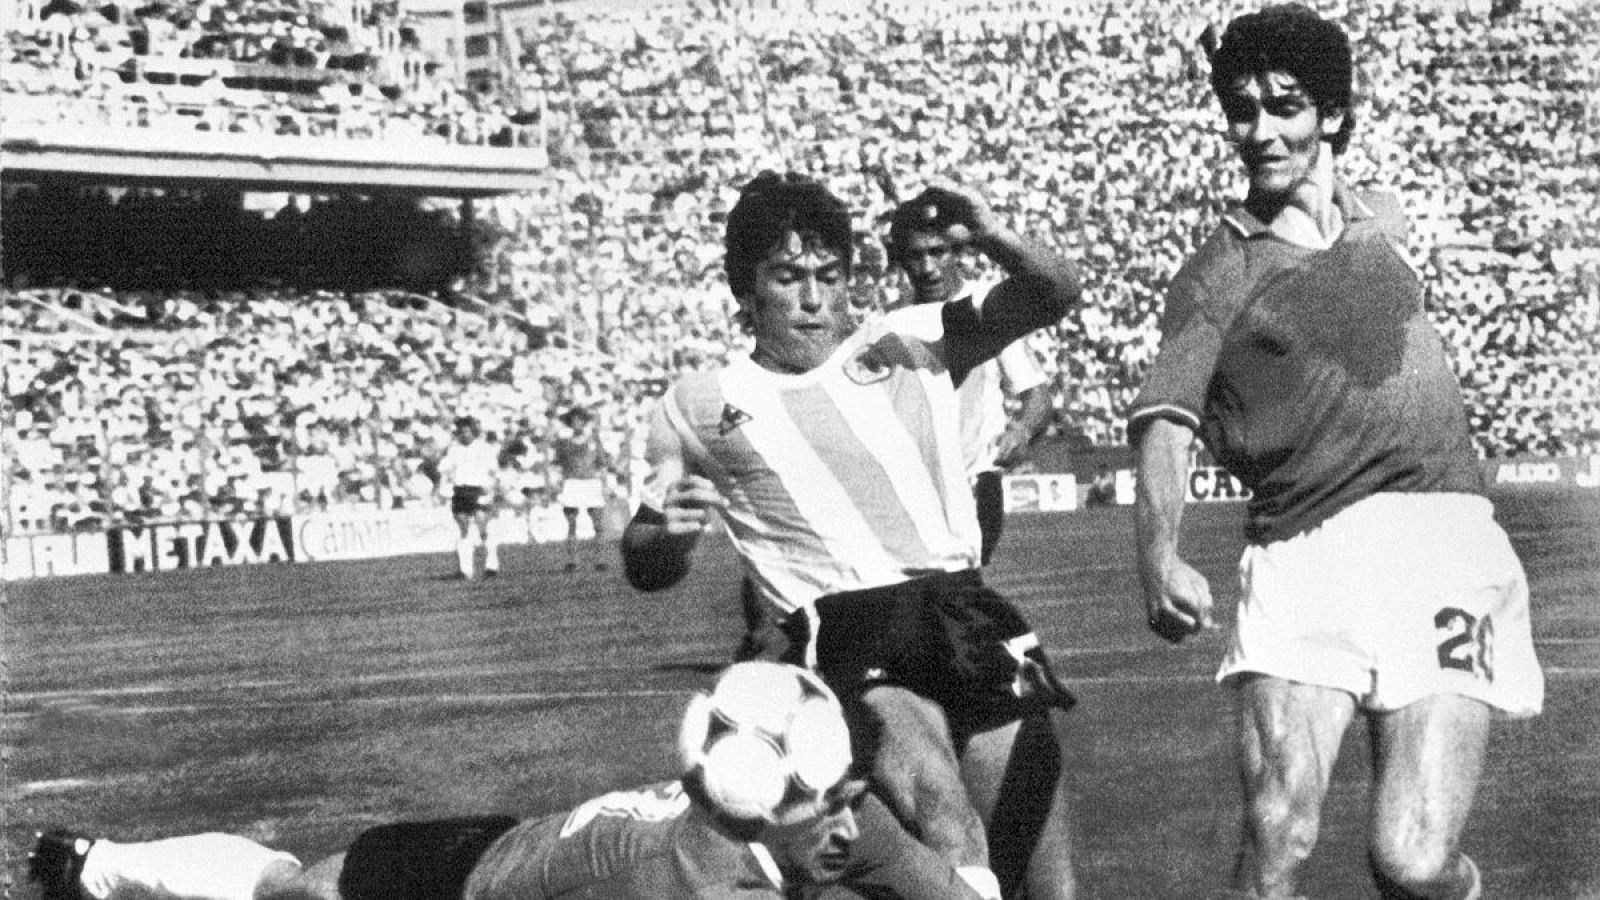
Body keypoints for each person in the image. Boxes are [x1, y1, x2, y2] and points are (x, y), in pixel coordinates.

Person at [1126, 7, 1544, 898]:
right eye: (1241, 110)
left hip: (1444, 546)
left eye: (1285, 106)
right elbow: (1166, 420)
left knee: (1411, 861)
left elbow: (1337, 185)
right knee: (1278, 833)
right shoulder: (1216, 275)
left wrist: (1269, 57)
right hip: (1303, 553)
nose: (1260, 130)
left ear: (1335, 116)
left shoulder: (1381, 221)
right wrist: (1157, 551)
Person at [621, 171, 1081, 900]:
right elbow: (643, 558)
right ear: (745, 290)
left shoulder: (912, 336)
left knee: (1043, 866)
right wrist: (666, 539)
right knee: (948, 821)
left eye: (829, 276)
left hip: (964, 606)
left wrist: (995, 236)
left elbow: (1052, 294)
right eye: (788, 277)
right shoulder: (698, 406)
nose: (813, 299)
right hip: (849, 629)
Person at [26, 663, 984, 900]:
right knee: (297, 888)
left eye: (849, 801)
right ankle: (97, 867)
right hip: (473, 875)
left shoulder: (835, 813)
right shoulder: (681, 880)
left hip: (536, 848)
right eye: (822, 811)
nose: (848, 832)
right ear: (749, 807)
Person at [888, 188, 1055, 564]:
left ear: (958, 253)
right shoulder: (892, 323)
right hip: (917, 489)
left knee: (958, 585)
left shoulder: (986, 310)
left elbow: (1037, 395)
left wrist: (1022, 431)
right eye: (916, 256)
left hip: (977, 482)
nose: (928, 267)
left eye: (937, 252)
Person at [436, 416, 502, 580]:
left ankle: (491, 566)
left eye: (467, 431)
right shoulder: (454, 449)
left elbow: (494, 472)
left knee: (482, 527)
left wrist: (491, 491)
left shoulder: (484, 448)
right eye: (461, 431)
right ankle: (465, 571)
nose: (464, 434)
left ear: (473, 431)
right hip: (460, 491)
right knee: (463, 529)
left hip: (478, 490)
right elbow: (443, 468)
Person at [549, 406, 612, 573]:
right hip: (572, 484)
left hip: (591, 483)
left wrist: (605, 486)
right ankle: (572, 561)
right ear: (570, 423)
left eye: (579, 420)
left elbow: (602, 464)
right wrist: (558, 483)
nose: (576, 423)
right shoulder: (564, 444)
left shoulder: (593, 440)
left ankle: (600, 560)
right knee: (571, 523)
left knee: (597, 524)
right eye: (573, 420)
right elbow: (557, 465)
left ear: (584, 422)